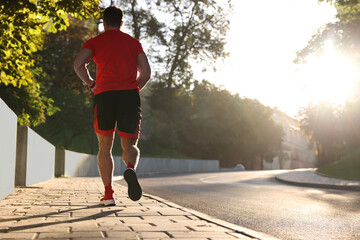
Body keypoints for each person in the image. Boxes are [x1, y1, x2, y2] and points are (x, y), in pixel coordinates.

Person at [73, 6, 151, 206]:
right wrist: (134, 89)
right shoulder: (133, 43)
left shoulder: (95, 42)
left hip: (104, 96)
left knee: (104, 146)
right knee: (130, 145)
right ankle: (130, 169)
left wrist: (91, 83)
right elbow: (146, 72)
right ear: (122, 22)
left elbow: (78, 64)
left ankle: (108, 195)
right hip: (128, 97)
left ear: (104, 22)